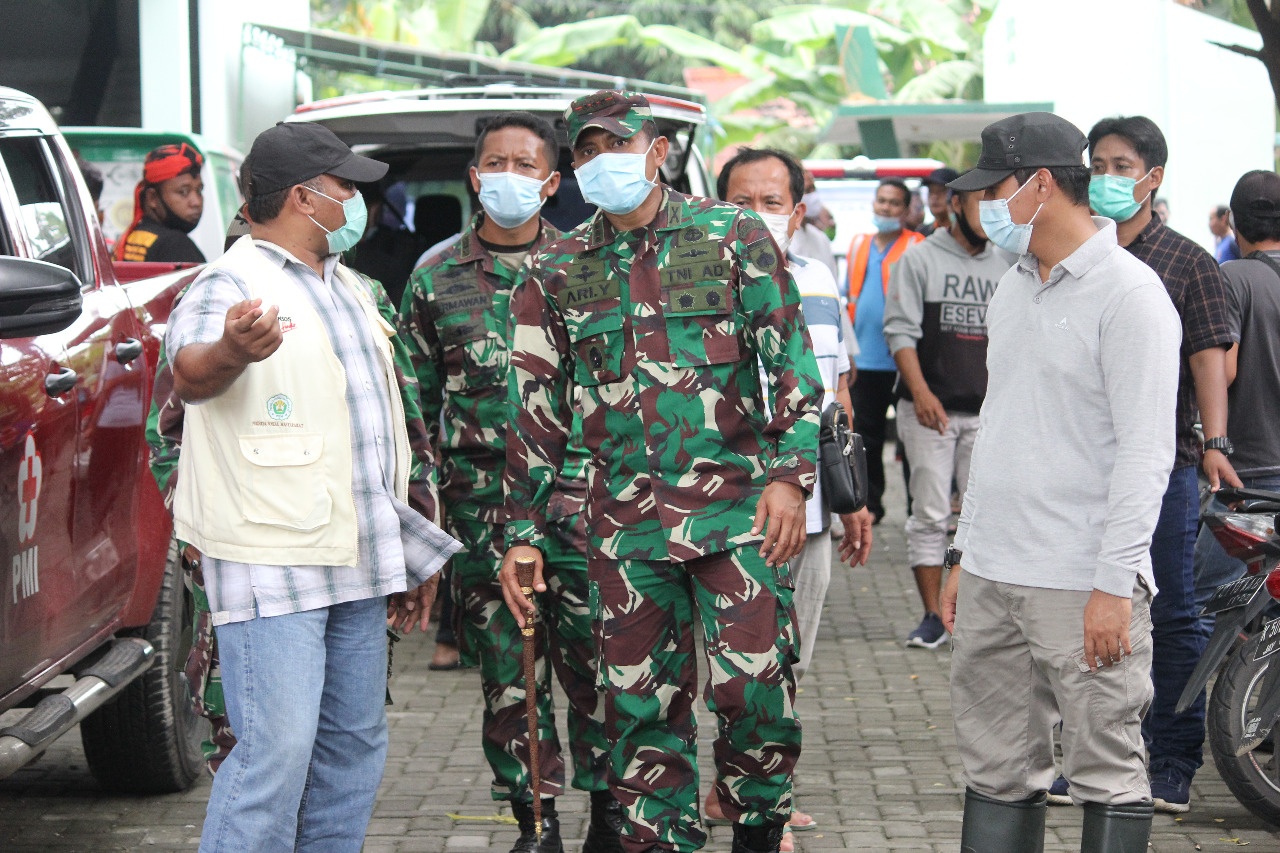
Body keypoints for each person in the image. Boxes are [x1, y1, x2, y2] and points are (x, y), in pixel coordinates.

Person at [499, 90, 822, 853]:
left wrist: (789, 475)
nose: (602, 159)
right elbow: (534, 414)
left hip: (739, 517)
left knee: (756, 696)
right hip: (625, 530)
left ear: (655, 151)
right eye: (586, 150)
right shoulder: (555, 269)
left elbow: (793, 371)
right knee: (641, 713)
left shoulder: (732, 234)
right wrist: (523, 533)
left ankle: (758, 831)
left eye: (618, 143)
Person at [167, 120, 460, 853]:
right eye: (347, 188)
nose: (358, 202)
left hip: (354, 558)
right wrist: (233, 348)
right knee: (275, 756)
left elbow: (384, 429)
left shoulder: (353, 289)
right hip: (273, 563)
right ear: (305, 196)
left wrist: (405, 549)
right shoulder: (229, 283)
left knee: (351, 751)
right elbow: (190, 373)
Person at [940, 112, 1180, 851]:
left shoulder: (1130, 296)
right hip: (993, 570)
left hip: (1081, 579)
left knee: (1105, 766)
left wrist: (1114, 583)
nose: (981, 207)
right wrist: (961, 550)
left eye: (994, 189)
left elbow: (1147, 454)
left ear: (1042, 184)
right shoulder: (1014, 286)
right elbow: (1000, 424)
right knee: (996, 764)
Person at [400, 111, 615, 853]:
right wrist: (424, 528)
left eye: (527, 165)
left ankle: (609, 815)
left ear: (553, 182)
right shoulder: (435, 277)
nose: (510, 177)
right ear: (474, 174)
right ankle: (536, 819)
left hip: (583, 509)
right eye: (497, 162)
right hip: (481, 514)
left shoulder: (591, 266)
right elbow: (416, 411)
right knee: (508, 678)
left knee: (596, 667)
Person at [718, 146, 874, 851]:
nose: (756, 216)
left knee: (791, 659)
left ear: (798, 210)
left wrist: (853, 497)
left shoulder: (818, 279)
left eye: (770, 203)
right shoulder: (690, 285)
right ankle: (753, 804)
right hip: (723, 513)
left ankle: (757, 790)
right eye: (740, 203)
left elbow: (836, 394)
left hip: (808, 514)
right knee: (733, 668)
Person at [1083, 116, 1238, 814]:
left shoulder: (1184, 261)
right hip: (1087, 466)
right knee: (1088, 607)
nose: (1108, 177)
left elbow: (1210, 357)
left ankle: (1172, 759)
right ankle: (1100, 757)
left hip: (1167, 463)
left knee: (1173, 612)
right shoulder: (1081, 254)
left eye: (1122, 164)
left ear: (1154, 176)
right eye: (1099, 164)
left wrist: (1214, 444)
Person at [883, 182, 1008, 650]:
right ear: (955, 205)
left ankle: (974, 616)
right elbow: (900, 332)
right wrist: (920, 394)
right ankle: (933, 616)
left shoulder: (1008, 263)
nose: (992, 213)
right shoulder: (918, 259)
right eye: (981, 202)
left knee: (984, 517)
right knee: (930, 515)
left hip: (985, 415)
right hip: (928, 414)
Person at [1194, 171, 1280, 630]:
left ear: (1233, 224)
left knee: (1207, 594)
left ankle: (1211, 699)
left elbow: (1222, 370)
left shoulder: (1232, 278)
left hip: (1250, 474)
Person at [846, 179, 924, 522]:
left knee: (912, 442)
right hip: (864, 360)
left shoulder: (917, 245)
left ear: (906, 210)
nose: (886, 208)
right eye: (882, 201)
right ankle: (872, 506)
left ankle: (916, 508)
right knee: (866, 439)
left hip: (903, 359)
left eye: (894, 203)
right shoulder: (858, 244)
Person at [115, 142, 207, 263]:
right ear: (152, 198)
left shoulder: (132, 238)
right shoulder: (175, 246)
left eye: (199, 190)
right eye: (183, 191)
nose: (196, 202)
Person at [788, 168, 839, 280]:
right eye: (807, 190)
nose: (813, 196)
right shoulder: (782, 239)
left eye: (813, 189)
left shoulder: (820, 238)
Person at [916, 167, 959, 238]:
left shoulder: (964, 233)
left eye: (941, 190)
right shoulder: (922, 233)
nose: (934, 197)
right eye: (931, 191)